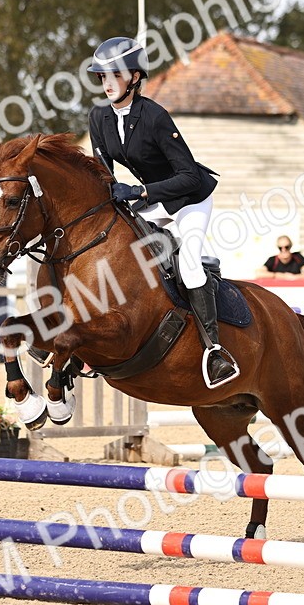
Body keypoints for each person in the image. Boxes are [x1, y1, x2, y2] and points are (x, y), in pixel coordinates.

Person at [87, 36, 239, 388]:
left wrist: (139, 190)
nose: (107, 83)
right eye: (101, 77)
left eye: (114, 75)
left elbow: (186, 176)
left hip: (190, 198)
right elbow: (102, 172)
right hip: (152, 201)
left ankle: (214, 351)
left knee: (187, 264)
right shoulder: (99, 118)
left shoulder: (155, 116)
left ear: (135, 77)